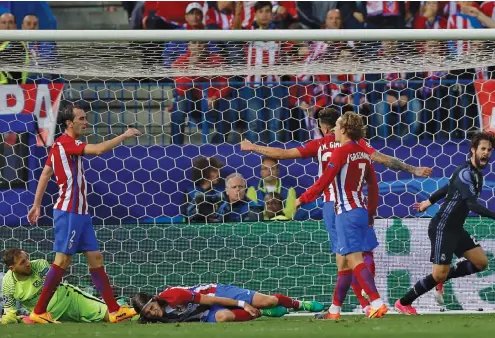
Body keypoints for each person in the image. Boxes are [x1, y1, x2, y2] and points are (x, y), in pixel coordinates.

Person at [241, 107, 432, 319]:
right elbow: (380, 169)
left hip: (338, 207)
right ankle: (336, 309)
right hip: (360, 206)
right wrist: (411, 170)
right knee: (357, 256)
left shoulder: (326, 145)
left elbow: (288, 157)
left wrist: (253, 147)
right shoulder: (362, 146)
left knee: (349, 258)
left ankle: (372, 302)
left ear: (327, 128)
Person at [26, 104, 141, 324]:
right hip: (69, 211)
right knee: (62, 260)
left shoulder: (60, 145)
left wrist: (36, 204)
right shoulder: (66, 143)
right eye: (81, 118)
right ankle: (39, 311)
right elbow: (98, 150)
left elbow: (46, 173)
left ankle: (115, 310)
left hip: (81, 213)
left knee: (95, 258)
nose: (85, 122)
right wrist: (124, 135)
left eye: (85, 118)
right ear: (69, 123)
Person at [395, 132, 495, 315]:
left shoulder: (474, 173)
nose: (486, 153)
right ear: (473, 150)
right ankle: (404, 302)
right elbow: (471, 204)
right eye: (483, 149)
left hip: (456, 228)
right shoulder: (466, 173)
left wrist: (429, 201)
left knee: (481, 262)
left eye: (489, 150)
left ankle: (444, 277)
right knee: (437, 275)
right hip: (443, 227)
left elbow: (448, 187)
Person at [295, 112, 386, 318]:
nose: (333, 130)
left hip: (345, 212)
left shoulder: (341, 152)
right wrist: (370, 213)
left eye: (336, 126)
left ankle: (376, 302)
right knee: (345, 262)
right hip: (361, 210)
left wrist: (303, 198)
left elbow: (324, 181)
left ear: (344, 130)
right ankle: (334, 310)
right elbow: (373, 186)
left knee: (354, 260)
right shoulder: (363, 152)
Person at [1, 249, 117, 324]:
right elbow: (10, 312)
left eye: (26, 258)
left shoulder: (40, 265)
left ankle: (125, 307)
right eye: (22, 262)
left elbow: (52, 283)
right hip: (46, 317)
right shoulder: (8, 284)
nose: (28, 263)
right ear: (12, 268)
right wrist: (8, 319)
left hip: (71, 300)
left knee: (113, 316)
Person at [132, 283, 324, 323]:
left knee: (269, 300)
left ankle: (300, 304)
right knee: (223, 317)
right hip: (205, 313)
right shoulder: (154, 319)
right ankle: (261, 313)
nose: (153, 312)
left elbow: (212, 299)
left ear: (155, 299)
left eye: (152, 307)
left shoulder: (174, 296)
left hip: (216, 293)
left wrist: (242, 304)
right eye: (148, 312)